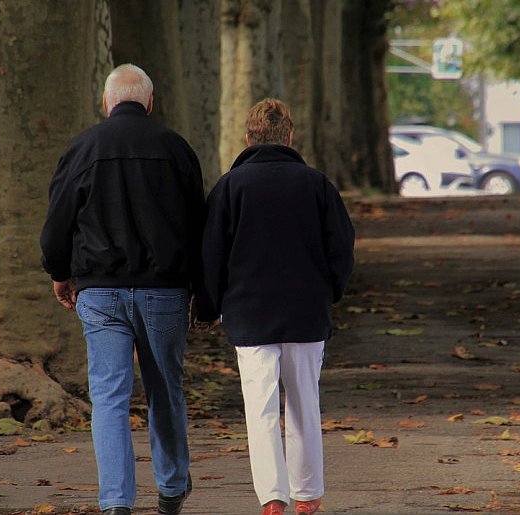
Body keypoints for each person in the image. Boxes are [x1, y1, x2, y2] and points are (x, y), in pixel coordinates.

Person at [40, 64, 215, 515]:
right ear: (150, 102)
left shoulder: (82, 148)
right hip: (165, 291)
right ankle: (172, 487)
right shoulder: (176, 150)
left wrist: (60, 271)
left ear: (107, 102)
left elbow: (57, 222)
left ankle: (116, 501)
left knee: (109, 397)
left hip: (99, 291)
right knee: (166, 390)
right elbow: (200, 226)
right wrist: (203, 291)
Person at [201, 98, 355, 515]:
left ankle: (272, 496)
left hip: (249, 315)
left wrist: (209, 307)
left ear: (248, 138)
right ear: (290, 137)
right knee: (305, 403)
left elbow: (212, 255)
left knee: (261, 409)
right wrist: (330, 292)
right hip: (306, 312)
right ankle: (307, 495)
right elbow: (341, 248)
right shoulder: (317, 184)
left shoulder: (229, 187)